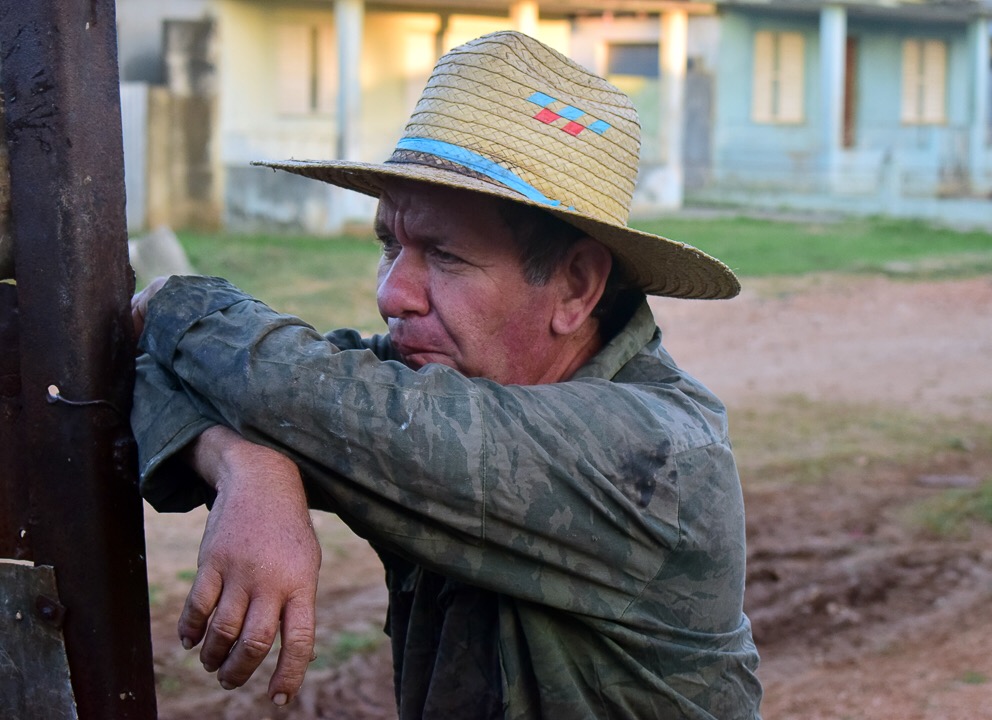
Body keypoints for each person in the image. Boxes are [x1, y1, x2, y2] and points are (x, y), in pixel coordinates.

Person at [131, 30, 762, 718]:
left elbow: (293, 392)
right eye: (391, 244)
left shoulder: (657, 455)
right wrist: (243, 461)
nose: (392, 294)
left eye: (446, 255)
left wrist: (168, 304)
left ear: (577, 286)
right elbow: (156, 379)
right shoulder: (429, 383)